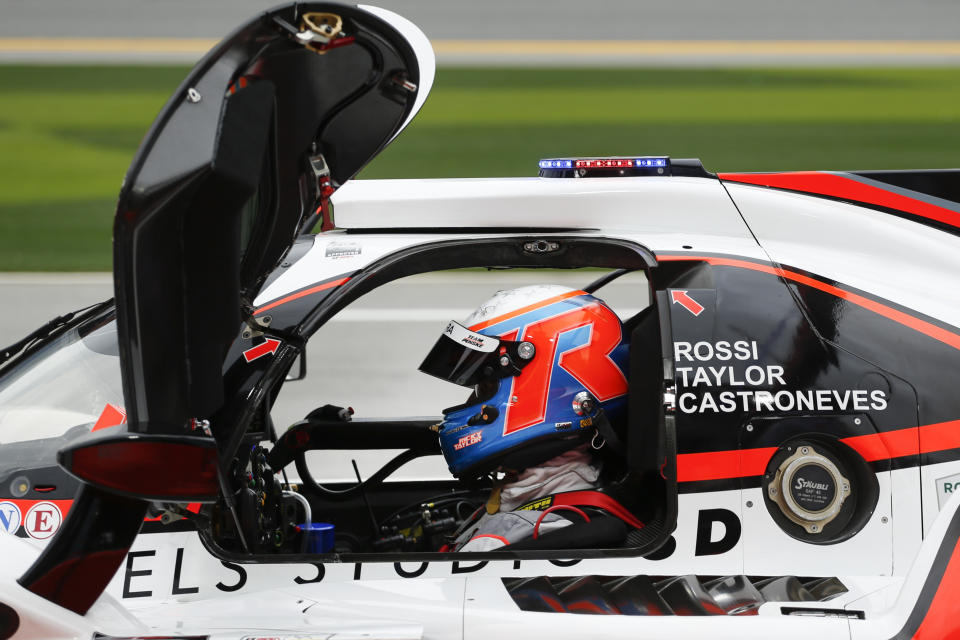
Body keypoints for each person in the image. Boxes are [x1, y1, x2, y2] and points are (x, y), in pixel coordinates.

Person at [418, 284, 643, 551]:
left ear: (544, 389)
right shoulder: (569, 498)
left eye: (486, 386)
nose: (474, 403)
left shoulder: (496, 545)